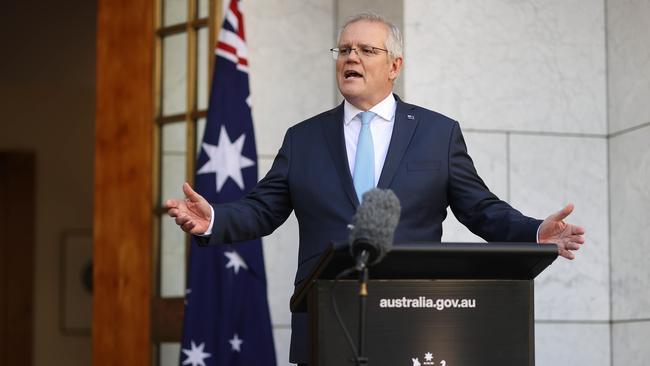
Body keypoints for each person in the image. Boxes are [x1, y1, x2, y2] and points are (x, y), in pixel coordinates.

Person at [165, 12, 586, 365]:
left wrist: (534, 233)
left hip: (413, 318)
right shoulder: (303, 138)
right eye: (345, 49)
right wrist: (214, 219)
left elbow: (480, 208)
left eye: (367, 50)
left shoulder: (438, 134)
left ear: (395, 66)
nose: (352, 57)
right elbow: (262, 209)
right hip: (325, 320)